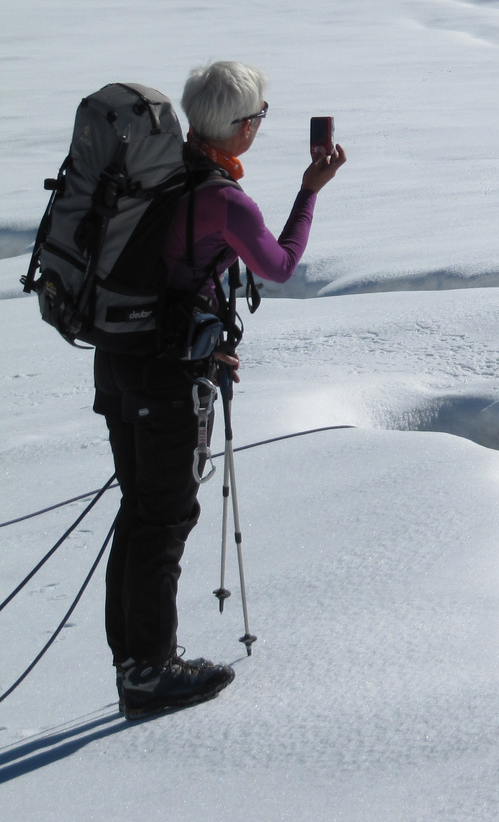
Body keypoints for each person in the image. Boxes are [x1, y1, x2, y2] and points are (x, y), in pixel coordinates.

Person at [97, 61, 346, 718]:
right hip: (165, 374)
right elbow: (280, 265)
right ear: (238, 128)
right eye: (259, 117)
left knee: (141, 508)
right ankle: (149, 672)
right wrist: (309, 190)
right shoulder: (222, 198)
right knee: (165, 515)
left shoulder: (157, 169)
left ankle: (133, 658)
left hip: (118, 360)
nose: (261, 127)